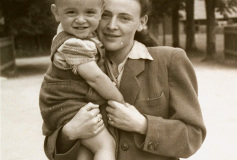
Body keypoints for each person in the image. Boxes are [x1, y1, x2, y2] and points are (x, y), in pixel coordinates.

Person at [42, 0, 207, 159]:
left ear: (142, 22)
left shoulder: (169, 60)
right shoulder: (71, 63)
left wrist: (143, 125)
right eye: (106, 15)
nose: (112, 26)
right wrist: (69, 132)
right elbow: (52, 147)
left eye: (124, 18)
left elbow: (192, 137)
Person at [39, 0, 126, 159]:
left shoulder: (70, 33)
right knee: (106, 145)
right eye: (71, 12)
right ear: (57, 13)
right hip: (66, 104)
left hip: (64, 103)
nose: (80, 20)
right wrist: (120, 100)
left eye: (89, 12)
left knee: (85, 151)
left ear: (101, 11)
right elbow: (95, 78)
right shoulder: (73, 44)